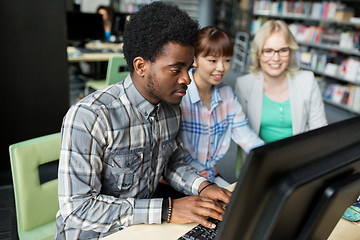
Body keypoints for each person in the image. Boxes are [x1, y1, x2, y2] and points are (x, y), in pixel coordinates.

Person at [55, 2, 231, 239]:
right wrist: (168, 210)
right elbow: (78, 208)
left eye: (189, 69)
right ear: (141, 66)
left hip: (144, 228)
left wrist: (203, 186)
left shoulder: (171, 108)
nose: (187, 80)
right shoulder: (91, 117)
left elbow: (171, 163)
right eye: (175, 70)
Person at [179, 26, 264, 184]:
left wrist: (271, 157)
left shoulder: (226, 94)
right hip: (182, 178)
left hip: (210, 178)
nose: (221, 68)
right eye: (212, 60)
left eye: (227, 60)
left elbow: (246, 136)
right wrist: (197, 170)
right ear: (194, 59)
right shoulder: (180, 94)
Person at [235, 20, 327, 144]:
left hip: (302, 156)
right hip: (261, 157)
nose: (276, 58)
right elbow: (242, 135)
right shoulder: (244, 85)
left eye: (283, 50)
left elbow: (319, 131)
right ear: (258, 54)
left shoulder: (308, 81)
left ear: (291, 52)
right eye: (268, 51)